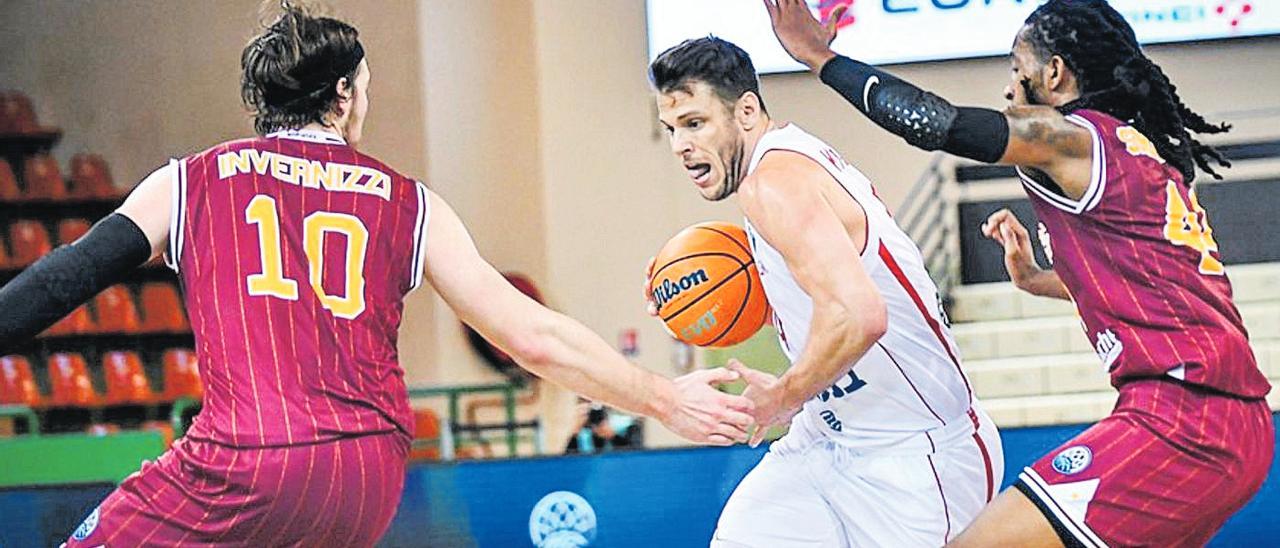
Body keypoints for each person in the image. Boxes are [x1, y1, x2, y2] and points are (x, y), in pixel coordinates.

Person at [0, 6, 755, 547]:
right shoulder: (409, 200)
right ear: (341, 96)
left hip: (245, 460)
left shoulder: (191, 182)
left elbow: (61, 282)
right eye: (364, 85)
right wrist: (662, 396)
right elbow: (533, 335)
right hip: (365, 475)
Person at [763, 0, 1273, 546]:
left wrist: (819, 56)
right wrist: (1036, 278)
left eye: (1015, 67)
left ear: (1052, 72)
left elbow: (938, 123)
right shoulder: (1137, 156)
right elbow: (1153, 286)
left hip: (1184, 421)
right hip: (1225, 423)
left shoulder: (1076, 137)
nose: (1009, 89)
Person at [648, 36, 1002, 547]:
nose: (681, 145)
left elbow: (861, 315)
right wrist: (687, 290)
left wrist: (783, 397)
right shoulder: (782, 165)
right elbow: (819, 298)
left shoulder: (773, 184)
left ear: (746, 111)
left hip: (914, 456)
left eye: (695, 123)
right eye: (672, 128)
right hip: (829, 438)